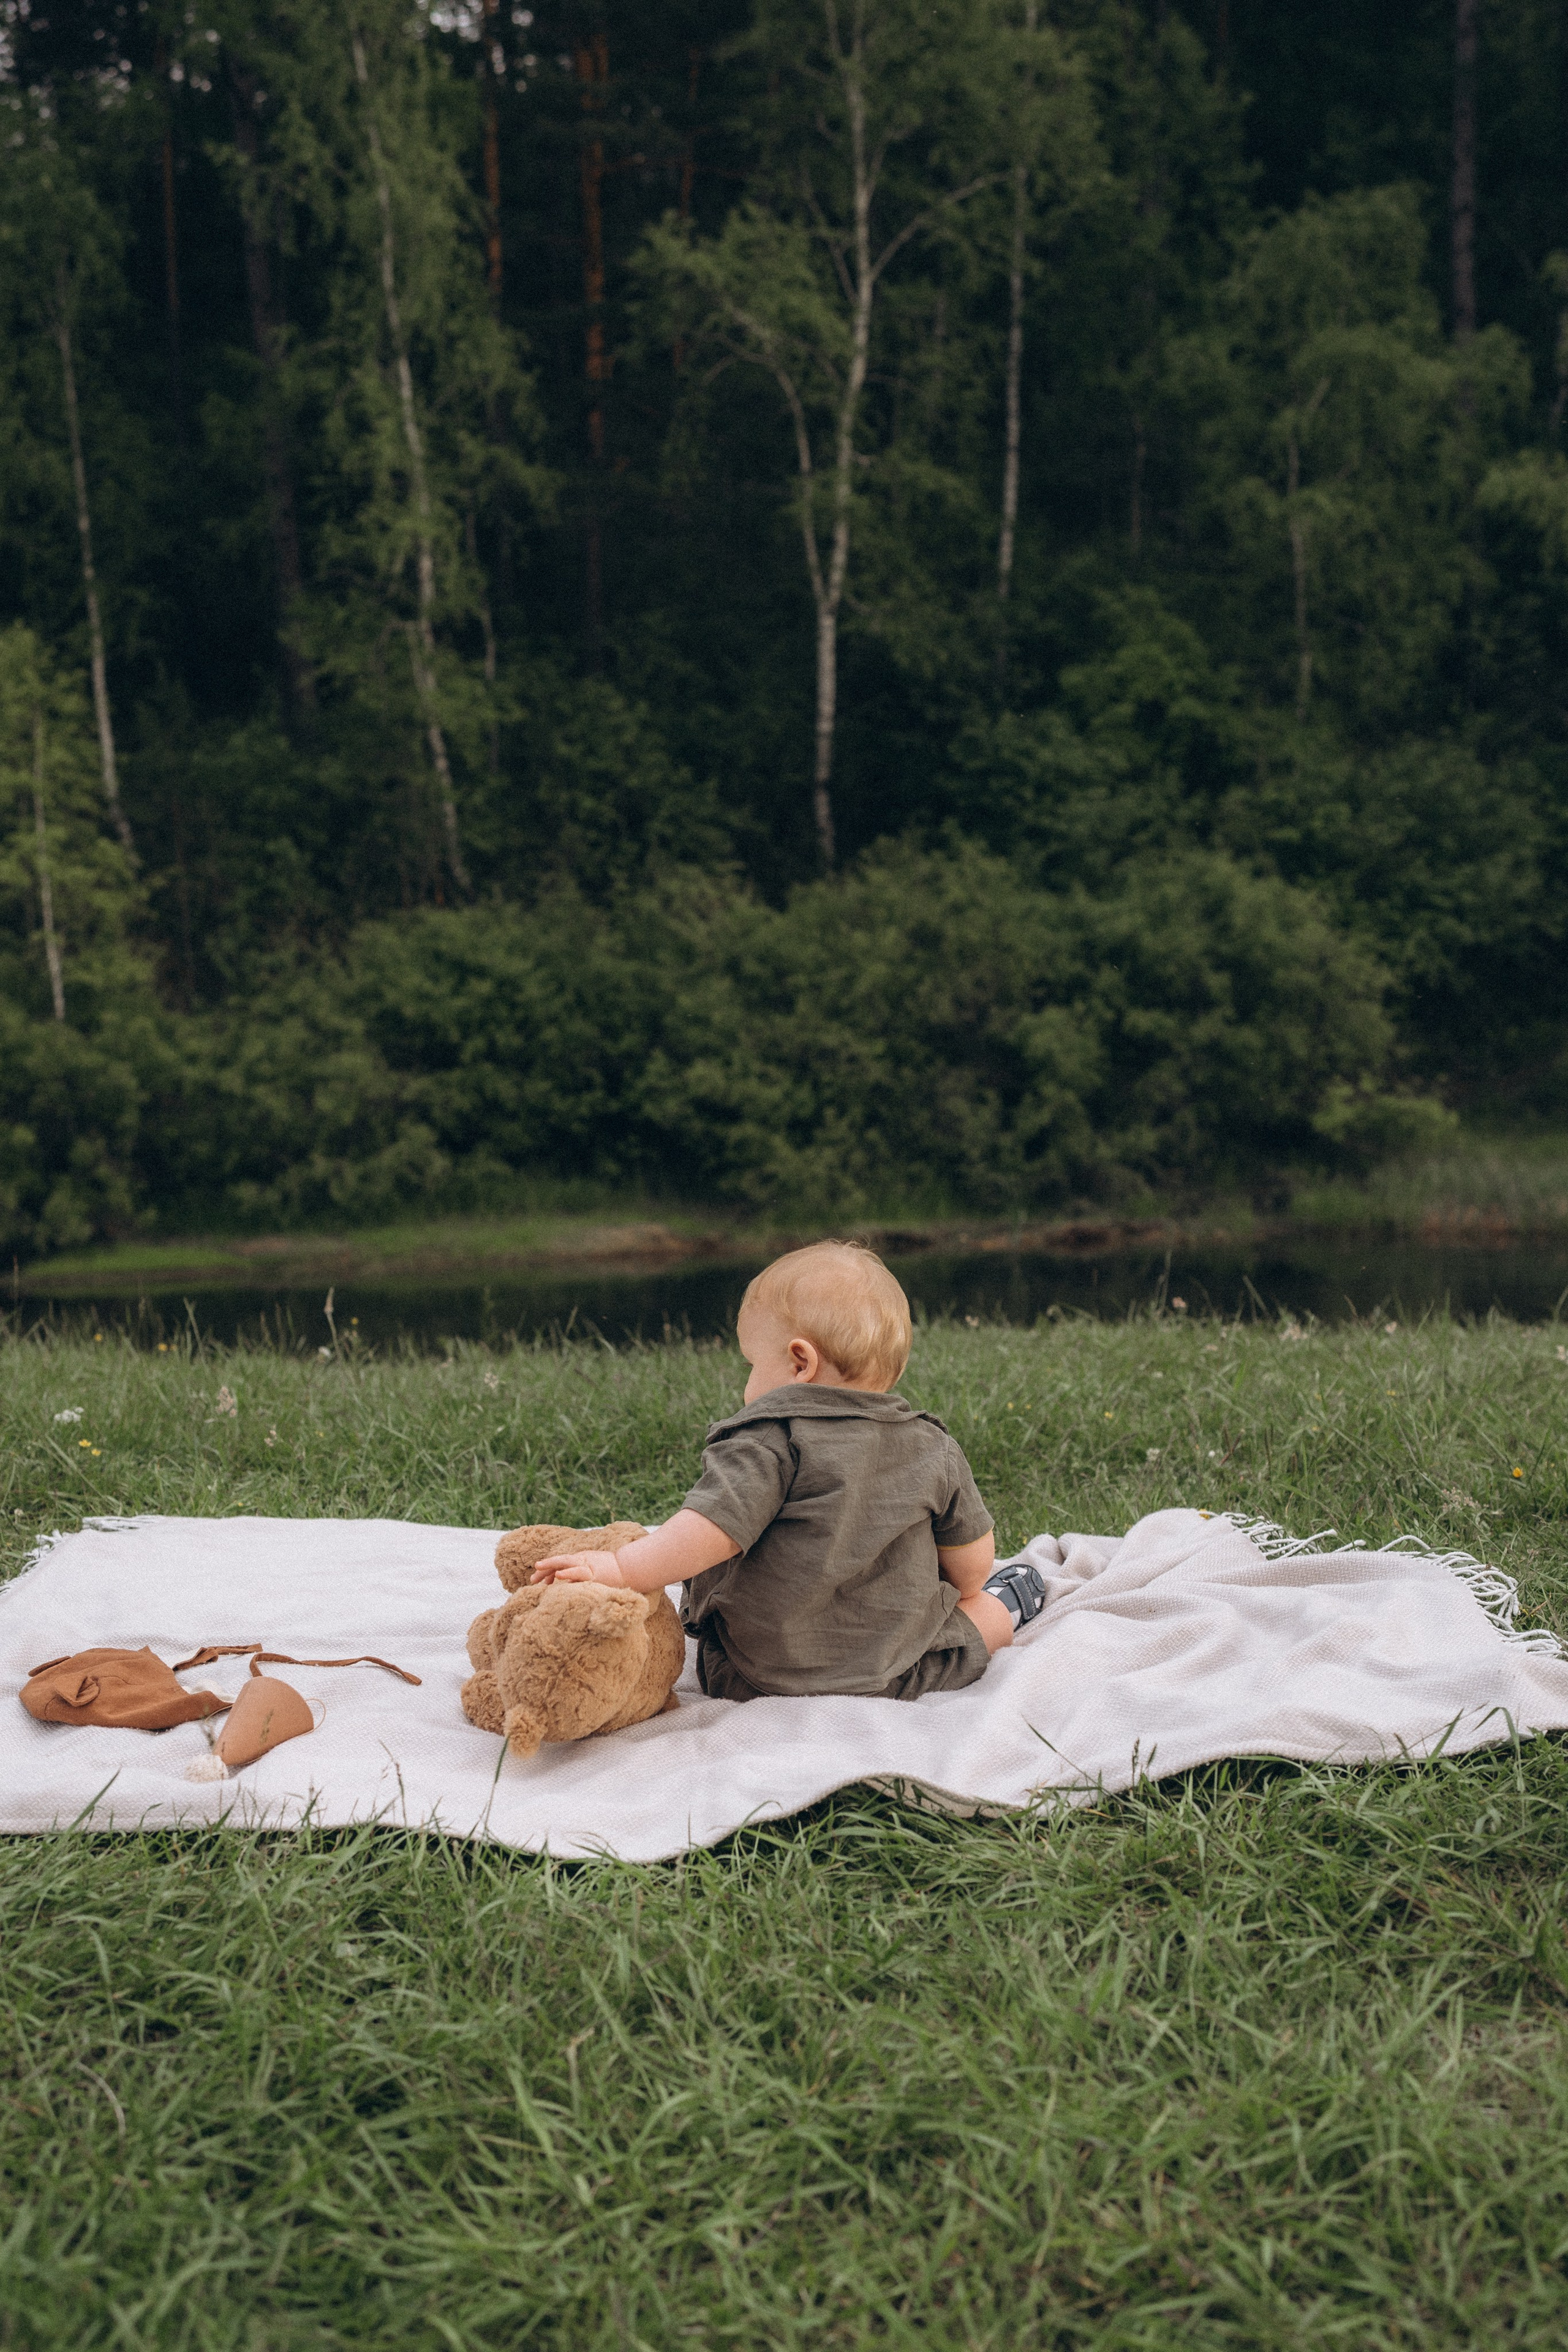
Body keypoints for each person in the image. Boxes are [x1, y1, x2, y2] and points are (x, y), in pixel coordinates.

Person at [530, 1240, 1049, 1703]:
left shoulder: (770, 1439)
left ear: (801, 1363)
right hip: (898, 1671)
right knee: (979, 1612)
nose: (746, 1386)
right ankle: (1013, 1604)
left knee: (721, 1636)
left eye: (751, 1364)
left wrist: (622, 1569)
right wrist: (954, 1592)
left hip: (754, 1678)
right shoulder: (932, 1446)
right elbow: (971, 1567)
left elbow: (709, 1533)